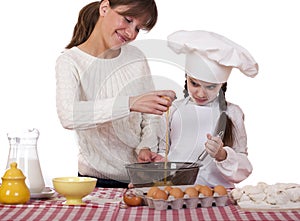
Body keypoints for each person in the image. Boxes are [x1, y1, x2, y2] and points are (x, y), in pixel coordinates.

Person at [55, 0, 176, 188]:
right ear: (105, 8)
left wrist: (145, 147)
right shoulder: (70, 61)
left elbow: (149, 116)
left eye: (138, 28)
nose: (131, 33)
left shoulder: (136, 57)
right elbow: (69, 115)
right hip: (94, 182)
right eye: (128, 20)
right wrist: (129, 103)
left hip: (139, 177)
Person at [158, 30, 259, 188]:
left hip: (219, 195)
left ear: (222, 85)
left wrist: (222, 155)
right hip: (176, 192)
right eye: (194, 83)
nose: (200, 93)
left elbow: (244, 166)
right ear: (186, 78)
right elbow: (160, 152)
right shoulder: (173, 109)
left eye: (210, 87)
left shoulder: (233, 113)